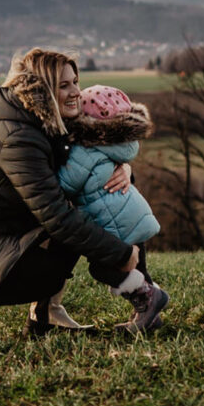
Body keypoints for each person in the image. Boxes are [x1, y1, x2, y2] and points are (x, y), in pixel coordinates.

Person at [0, 48, 164, 338]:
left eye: (75, 82)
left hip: (0, 230)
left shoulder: (48, 122)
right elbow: (55, 215)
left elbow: (86, 177)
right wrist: (120, 254)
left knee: (103, 205)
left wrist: (123, 170)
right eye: (64, 85)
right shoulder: (18, 137)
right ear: (43, 90)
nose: (75, 93)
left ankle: (53, 315)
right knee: (46, 268)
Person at [57, 84, 168, 332]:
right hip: (132, 218)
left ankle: (150, 297)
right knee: (138, 268)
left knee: (103, 268)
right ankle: (149, 319)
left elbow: (66, 184)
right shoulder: (120, 146)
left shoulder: (85, 150)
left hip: (114, 225)